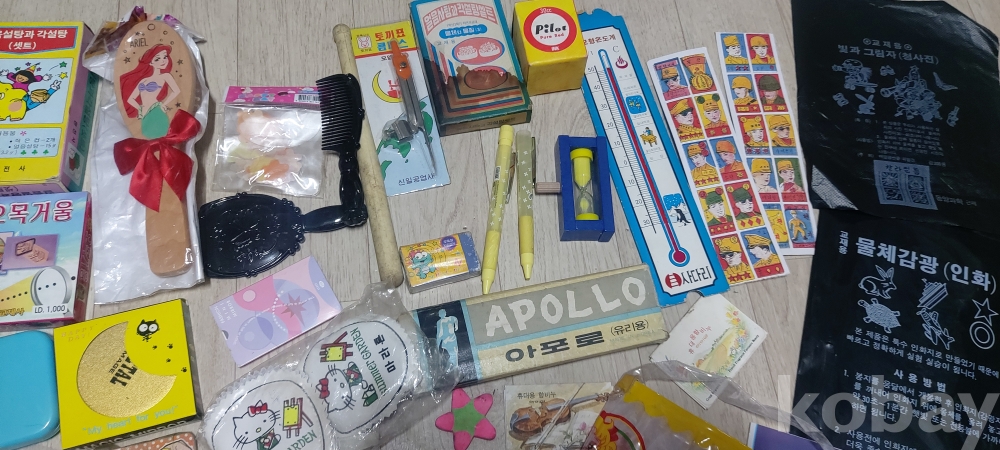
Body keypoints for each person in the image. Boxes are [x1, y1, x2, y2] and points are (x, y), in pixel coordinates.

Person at [119, 44, 182, 138]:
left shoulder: (165, 76)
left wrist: (163, 104)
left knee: (160, 135)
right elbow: (130, 99)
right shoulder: (143, 80)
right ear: (150, 62)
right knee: (147, 136)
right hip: (145, 114)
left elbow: (176, 90)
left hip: (156, 110)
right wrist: (140, 109)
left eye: (165, 57)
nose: (163, 60)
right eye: (157, 59)